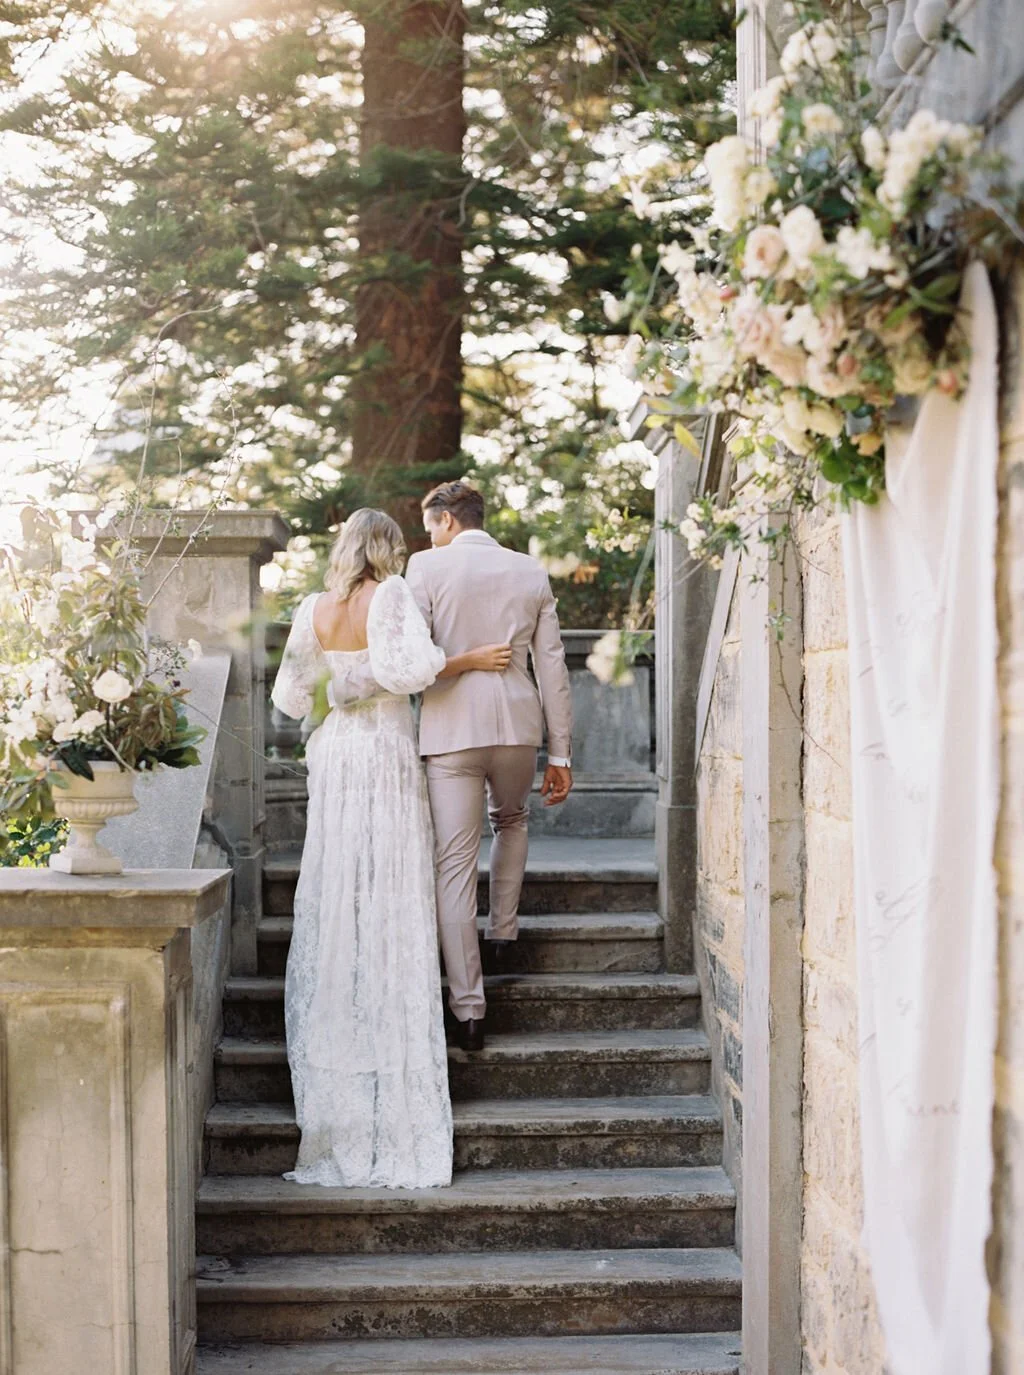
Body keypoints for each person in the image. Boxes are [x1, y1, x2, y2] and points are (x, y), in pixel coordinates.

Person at [270, 508, 512, 1189]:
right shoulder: (392, 594)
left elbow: (291, 698)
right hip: (381, 750)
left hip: (334, 755)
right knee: (394, 895)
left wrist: (340, 681)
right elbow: (411, 671)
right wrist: (446, 659)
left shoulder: (312, 608)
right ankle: (391, 1059)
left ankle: (342, 1062)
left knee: (341, 893)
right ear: (384, 550)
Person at [407, 481, 574, 1054]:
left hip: (451, 731)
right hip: (517, 727)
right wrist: (561, 752)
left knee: (453, 865)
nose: (428, 535)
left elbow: (413, 661)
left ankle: (469, 1008)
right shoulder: (529, 570)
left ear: (448, 520)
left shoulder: (425, 570)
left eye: (430, 524)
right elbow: (553, 666)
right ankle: (504, 928)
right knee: (513, 820)